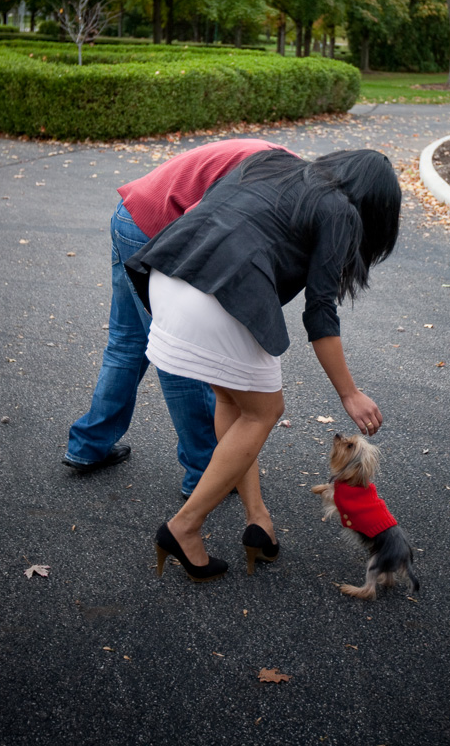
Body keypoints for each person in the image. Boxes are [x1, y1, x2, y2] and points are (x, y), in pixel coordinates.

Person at [124, 148, 402, 581]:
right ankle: (184, 526)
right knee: (266, 410)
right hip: (217, 296)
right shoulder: (340, 210)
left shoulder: (271, 163)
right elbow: (320, 311)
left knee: (233, 402)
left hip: (169, 274)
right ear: (375, 205)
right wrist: (349, 393)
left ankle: (259, 520)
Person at [62, 138, 294, 493]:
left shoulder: (284, 170)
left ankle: (88, 446)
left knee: (127, 343)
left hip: (132, 213)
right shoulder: (277, 179)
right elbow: (198, 224)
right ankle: (205, 470)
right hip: (155, 227)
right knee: (180, 356)